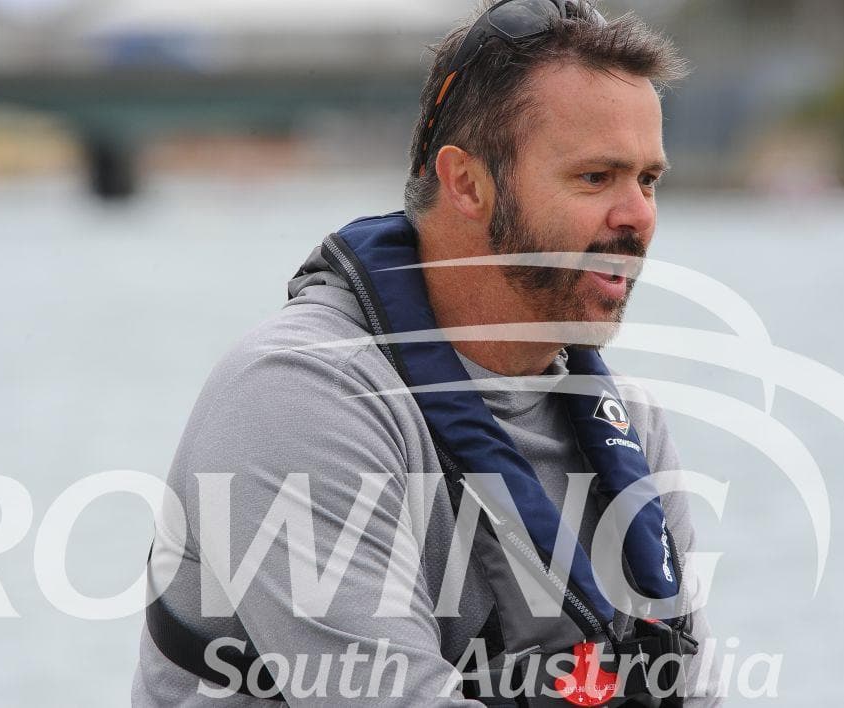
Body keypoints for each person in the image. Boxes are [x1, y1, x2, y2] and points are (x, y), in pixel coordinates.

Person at [133, 1, 722, 705]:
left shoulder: (632, 426)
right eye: (596, 177)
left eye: (648, 180)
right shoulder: (300, 397)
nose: (638, 216)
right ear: (467, 183)